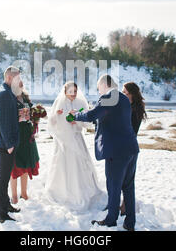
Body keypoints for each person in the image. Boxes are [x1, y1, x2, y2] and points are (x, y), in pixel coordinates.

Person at [71, 75, 139, 231]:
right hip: (131, 148)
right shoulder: (122, 98)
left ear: (104, 85)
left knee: (114, 186)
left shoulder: (109, 96)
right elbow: (110, 118)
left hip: (117, 151)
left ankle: (111, 220)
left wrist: (76, 115)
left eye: (98, 87)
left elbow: (91, 116)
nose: (98, 91)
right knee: (128, 187)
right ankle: (130, 223)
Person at [46, 81, 104, 211]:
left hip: (76, 138)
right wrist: (57, 115)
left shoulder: (81, 103)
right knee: (63, 164)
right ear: (65, 92)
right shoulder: (60, 103)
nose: (73, 94)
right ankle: (61, 190)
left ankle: (81, 189)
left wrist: (77, 121)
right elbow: (52, 122)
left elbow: (87, 122)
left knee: (79, 163)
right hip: (63, 139)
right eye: (70, 92)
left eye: (75, 92)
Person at [0, 66, 23, 223]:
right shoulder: (4, 94)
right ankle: (1, 213)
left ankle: (6, 205)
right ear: (10, 78)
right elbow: (3, 124)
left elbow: (8, 116)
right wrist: (10, 145)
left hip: (7, 143)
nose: (19, 81)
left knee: (5, 176)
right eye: (17, 78)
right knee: (3, 179)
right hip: (6, 145)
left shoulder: (7, 92)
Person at [118, 82, 147, 215]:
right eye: (122, 92)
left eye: (126, 93)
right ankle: (125, 208)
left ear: (133, 95)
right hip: (132, 148)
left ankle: (123, 208)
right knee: (128, 181)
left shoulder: (132, 110)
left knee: (123, 181)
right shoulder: (136, 107)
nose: (123, 95)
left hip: (125, 149)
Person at [10, 81, 40, 204]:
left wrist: (35, 115)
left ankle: (23, 193)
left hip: (27, 135)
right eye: (19, 85)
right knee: (14, 167)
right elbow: (8, 117)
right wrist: (19, 116)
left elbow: (32, 114)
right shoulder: (10, 99)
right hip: (16, 135)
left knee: (26, 165)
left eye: (22, 85)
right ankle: (14, 195)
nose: (21, 87)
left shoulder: (26, 98)